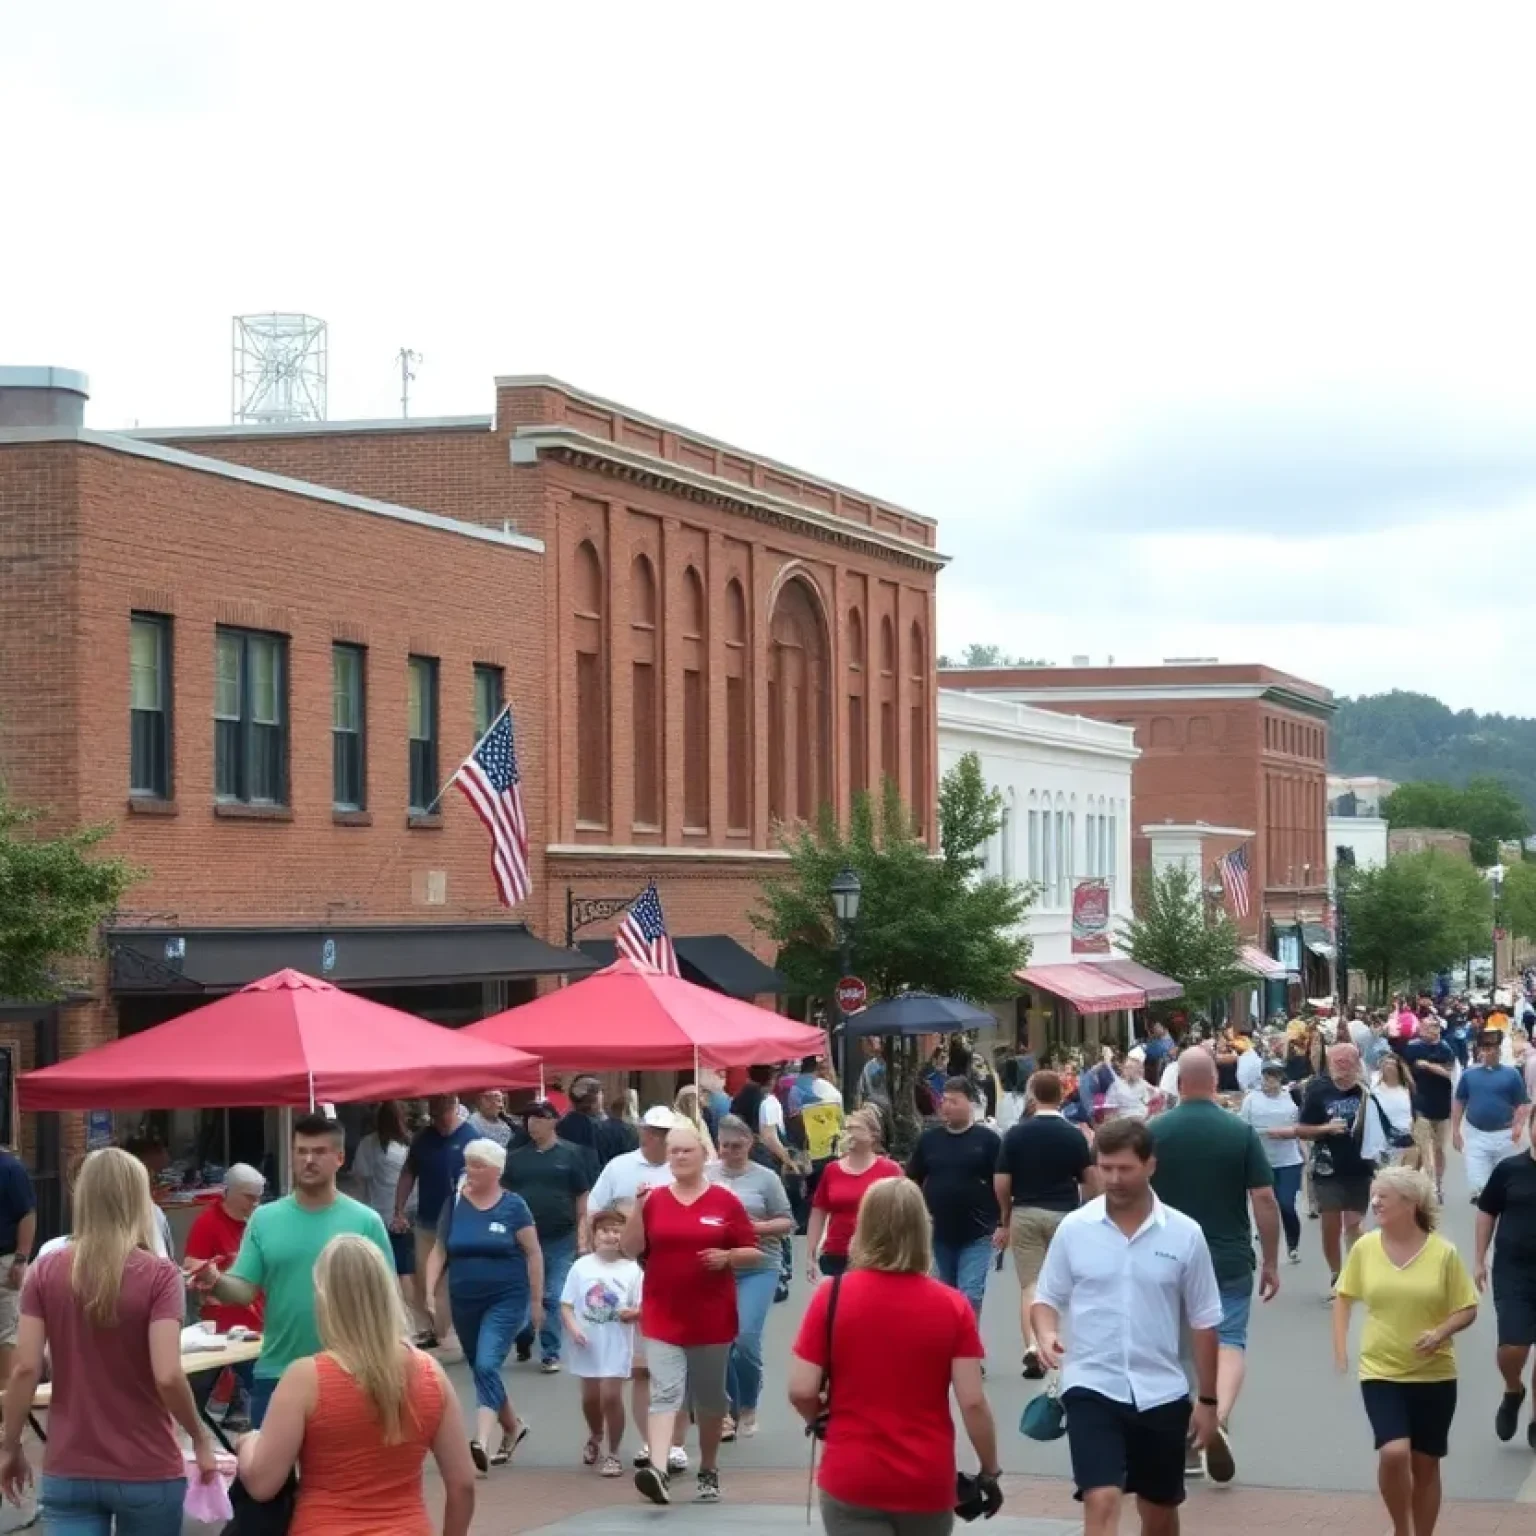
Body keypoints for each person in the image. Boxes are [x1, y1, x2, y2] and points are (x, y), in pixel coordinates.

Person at [0, 1148, 218, 1533]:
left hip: (70, 1467)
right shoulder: (161, 1276)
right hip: (148, 1466)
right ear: (138, 1199)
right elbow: (167, 1375)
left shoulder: (45, 1270)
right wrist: (200, 1438)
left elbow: (26, 1368)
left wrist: (10, 1444)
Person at [1033, 1116, 1222, 1536]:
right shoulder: (1075, 1228)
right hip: (1090, 1384)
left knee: (1159, 1513)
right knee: (1101, 1499)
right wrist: (1045, 1332)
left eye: (1125, 1168)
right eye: (1106, 1167)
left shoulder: (1185, 1235)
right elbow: (1046, 1298)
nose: (1114, 1179)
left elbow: (1205, 1322)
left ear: (1150, 1165)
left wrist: (1208, 1402)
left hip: (1161, 1391)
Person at [788, 1177, 1002, 1536]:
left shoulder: (832, 1295)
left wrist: (822, 1418)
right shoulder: (953, 1306)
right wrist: (989, 1469)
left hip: (852, 1472)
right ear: (923, 1229)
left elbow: (801, 1389)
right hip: (925, 1477)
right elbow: (973, 1402)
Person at [234, 1233, 476, 1536]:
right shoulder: (431, 1374)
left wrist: (248, 1443)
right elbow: (462, 1485)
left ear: (324, 1298)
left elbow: (261, 1483)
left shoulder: (305, 1379)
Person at [195, 1111, 393, 1427]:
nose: (308, 1160)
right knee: (271, 1477)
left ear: (339, 1158)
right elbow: (244, 1289)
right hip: (277, 1373)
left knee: (336, 1476)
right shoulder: (264, 1219)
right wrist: (215, 1281)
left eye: (319, 1151)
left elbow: (386, 1305)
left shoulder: (366, 1221)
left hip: (349, 1373)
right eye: (301, 1151)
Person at [1148, 1047, 1278, 1484]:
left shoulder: (1154, 1133)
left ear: (1179, 1083)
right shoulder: (1238, 1132)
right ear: (1216, 1083)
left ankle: (1188, 1439)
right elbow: (1263, 1198)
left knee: (1180, 1348)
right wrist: (1273, 1261)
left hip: (1166, 1258)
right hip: (1227, 1255)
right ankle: (1216, 1416)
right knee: (1230, 1341)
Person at [1334, 1167, 1477, 1536]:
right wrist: (1340, 1349)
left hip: (1435, 1373)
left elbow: (1467, 1307)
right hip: (1381, 1369)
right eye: (1373, 1194)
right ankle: (1402, 1528)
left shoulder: (1443, 1253)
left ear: (1410, 1203)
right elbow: (1344, 1297)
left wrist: (1442, 1331)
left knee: (1426, 1465)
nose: (1375, 1202)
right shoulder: (1365, 1248)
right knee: (1394, 1452)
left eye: (1384, 1196)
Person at [622, 1123, 760, 1506]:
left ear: (703, 1156)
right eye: (673, 1151)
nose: (678, 1157)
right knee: (665, 1390)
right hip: (663, 1311)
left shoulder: (724, 1200)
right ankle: (659, 1468)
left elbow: (752, 1249)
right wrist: (637, 1206)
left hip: (711, 1315)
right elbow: (631, 1248)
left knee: (710, 1400)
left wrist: (728, 1256)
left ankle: (709, 1467)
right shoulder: (654, 1200)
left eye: (686, 1151)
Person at [425, 1138, 540, 1472]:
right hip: (465, 1300)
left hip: (506, 1298)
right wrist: (430, 1290)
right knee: (481, 1367)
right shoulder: (454, 1203)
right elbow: (439, 1249)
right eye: (468, 1163)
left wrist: (536, 1301)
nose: (469, 1171)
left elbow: (533, 1252)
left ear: (496, 1171)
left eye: (477, 1165)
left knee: (487, 1365)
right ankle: (513, 1427)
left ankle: (481, 1442)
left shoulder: (514, 1206)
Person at [993, 1069, 1098, 1380]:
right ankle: (1062, 1343)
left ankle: (1034, 1347)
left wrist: (1005, 1214)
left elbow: (1001, 1181)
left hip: (1025, 1211)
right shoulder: (1073, 1135)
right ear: (1062, 1095)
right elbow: (1090, 1179)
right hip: (1065, 1214)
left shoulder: (1015, 1134)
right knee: (1067, 1285)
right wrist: (1088, 1210)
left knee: (1031, 1286)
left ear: (1033, 1096)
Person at [706, 1114, 794, 1439]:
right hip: (718, 1266)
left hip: (759, 1265)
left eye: (737, 1146)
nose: (731, 1152)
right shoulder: (707, 1175)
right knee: (719, 1341)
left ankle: (749, 1406)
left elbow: (787, 1222)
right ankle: (726, 1410)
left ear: (749, 1145)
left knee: (743, 1339)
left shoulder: (766, 1179)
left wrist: (753, 1228)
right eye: (725, 1146)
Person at [500, 1100, 590, 1373]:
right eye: (528, 1119)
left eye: (538, 1118)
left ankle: (550, 1351)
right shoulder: (515, 1157)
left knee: (553, 1294)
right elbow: (504, 1194)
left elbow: (582, 1194)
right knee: (525, 1293)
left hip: (560, 1236)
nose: (532, 1123)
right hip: (524, 1238)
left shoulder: (571, 1154)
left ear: (553, 1121)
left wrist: (583, 1234)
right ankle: (524, 1336)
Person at [906, 1078, 1002, 1322]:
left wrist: (1004, 1222)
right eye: (944, 1100)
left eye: (954, 1101)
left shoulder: (988, 1141)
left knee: (970, 1295)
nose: (947, 1106)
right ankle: (945, 1354)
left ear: (970, 1103)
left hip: (978, 1232)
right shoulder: (929, 1140)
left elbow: (1001, 1183)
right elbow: (912, 1180)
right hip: (937, 1232)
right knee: (941, 1296)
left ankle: (967, 1354)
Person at [560, 1207, 643, 1477]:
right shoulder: (581, 1267)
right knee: (590, 1399)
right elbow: (566, 1305)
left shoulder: (632, 1270)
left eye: (617, 1231)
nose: (610, 1236)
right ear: (594, 1236)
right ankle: (595, 1434)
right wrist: (573, 1329)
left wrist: (633, 1314)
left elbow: (641, 1305)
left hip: (617, 1341)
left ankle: (614, 1452)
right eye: (604, 1231)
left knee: (611, 1395)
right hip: (587, 1343)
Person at [183, 1162, 265, 1426]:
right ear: (228, 1192)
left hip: (258, 1317)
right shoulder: (207, 1222)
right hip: (223, 1323)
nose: (254, 1204)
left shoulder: (260, 1222)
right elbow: (191, 1265)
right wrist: (209, 1276)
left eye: (259, 1197)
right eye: (249, 1197)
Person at [392, 1095, 477, 1349]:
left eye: (442, 1114)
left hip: (461, 1220)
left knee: (455, 1277)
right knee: (423, 1275)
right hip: (428, 1218)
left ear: (454, 1108)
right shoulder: (423, 1138)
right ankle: (431, 1327)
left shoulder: (470, 1138)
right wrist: (399, 1209)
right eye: (433, 1115)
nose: (438, 1121)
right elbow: (409, 1172)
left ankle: (453, 1326)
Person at [1473, 1133, 1536, 1447]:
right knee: (1514, 1345)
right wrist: (1479, 1259)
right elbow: (1486, 1212)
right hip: (1514, 1270)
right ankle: (1513, 1389)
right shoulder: (1509, 1169)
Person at [1299, 1043, 1376, 1294]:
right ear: (1329, 1063)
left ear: (1357, 1063)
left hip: (1360, 1166)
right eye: (1337, 1062)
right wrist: (1325, 1129)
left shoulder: (1366, 1090)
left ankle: (1354, 1273)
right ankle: (1336, 1273)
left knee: (1354, 1224)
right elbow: (1303, 1129)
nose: (1342, 1067)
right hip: (1327, 1168)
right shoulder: (1319, 1089)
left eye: (1347, 1061)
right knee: (1330, 1224)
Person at [806, 1107, 902, 1281]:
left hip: (876, 1254)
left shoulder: (890, 1169)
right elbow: (819, 1211)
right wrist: (811, 1253)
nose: (850, 1133)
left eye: (856, 1128)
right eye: (847, 1128)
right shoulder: (832, 1169)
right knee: (837, 1304)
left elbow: (902, 1214)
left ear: (873, 1136)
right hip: (837, 1251)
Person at [352, 1101, 419, 1325]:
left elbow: (361, 1179)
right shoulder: (410, 1143)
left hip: (379, 1213)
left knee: (382, 1269)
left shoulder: (370, 1144)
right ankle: (409, 1319)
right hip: (408, 1211)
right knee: (405, 1270)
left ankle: (387, 1318)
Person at [1240, 1058, 1304, 1264]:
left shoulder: (1291, 1098)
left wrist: (1289, 1133)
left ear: (1281, 1078)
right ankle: (1261, 1245)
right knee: (1261, 1205)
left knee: (1286, 1204)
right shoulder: (1251, 1099)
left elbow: (1302, 1126)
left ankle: (1292, 1244)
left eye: (1274, 1075)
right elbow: (1244, 1127)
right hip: (1261, 1161)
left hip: (1288, 1160)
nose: (1269, 1079)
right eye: (1267, 1075)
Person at [1454, 1030, 1531, 1199]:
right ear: (1479, 1051)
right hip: (1476, 1135)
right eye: (1485, 1049)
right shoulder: (1469, 1075)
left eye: (1493, 1048)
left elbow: (1522, 1104)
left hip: (1505, 1136)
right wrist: (1455, 1131)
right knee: (1479, 1187)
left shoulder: (1511, 1074)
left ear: (1499, 1051)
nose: (1489, 1052)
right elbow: (1459, 1102)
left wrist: (1518, 1125)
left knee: (1508, 1182)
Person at [1403, 1015, 1457, 1198]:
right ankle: (1430, 1185)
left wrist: (1428, 1066)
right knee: (1423, 1147)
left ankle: (1437, 1183)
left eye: (1434, 1027)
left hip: (1442, 1106)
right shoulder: (1412, 1048)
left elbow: (1450, 1073)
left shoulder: (1446, 1048)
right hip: (1420, 1106)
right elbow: (1403, 1069)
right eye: (1426, 1026)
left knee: (1439, 1148)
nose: (1430, 1030)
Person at [589, 1107, 677, 1212]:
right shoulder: (618, 1166)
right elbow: (594, 1207)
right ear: (641, 1132)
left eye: (662, 1132)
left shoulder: (682, 1168)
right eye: (650, 1131)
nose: (655, 1138)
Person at [0, 1146, 35, 1390]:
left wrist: (21, 1258)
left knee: (5, 1335)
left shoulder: (10, 1168)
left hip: (4, 1261)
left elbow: (27, 1213)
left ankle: (4, 1400)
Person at [1362, 1054, 1416, 1170]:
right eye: (1386, 1064)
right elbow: (1371, 1121)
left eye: (1392, 1064)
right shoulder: (1375, 1092)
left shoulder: (1407, 1090)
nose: (1389, 1067)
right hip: (1386, 1143)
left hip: (1408, 1140)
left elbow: (1414, 1113)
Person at [1105, 1055, 1155, 1120]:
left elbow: (1153, 1101)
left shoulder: (1143, 1084)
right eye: (1134, 1068)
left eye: (1141, 1068)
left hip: (1145, 1120)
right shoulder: (1115, 1087)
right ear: (1125, 1070)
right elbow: (1110, 1113)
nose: (1140, 1071)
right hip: (1126, 1123)